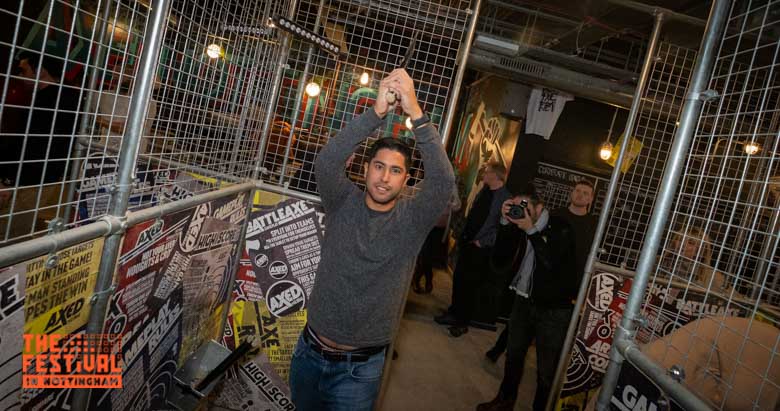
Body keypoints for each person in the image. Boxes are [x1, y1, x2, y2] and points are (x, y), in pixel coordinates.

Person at [288, 69, 454, 410]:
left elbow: (442, 182)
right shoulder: (342, 202)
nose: (384, 178)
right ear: (365, 169)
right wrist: (377, 111)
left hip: (359, 370)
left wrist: (415, 111)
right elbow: (327, 161)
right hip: (309, 352)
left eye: (395, 171)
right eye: (378, 166)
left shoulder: (411, 221)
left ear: (406, 179)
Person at [477, 188, 577, 411]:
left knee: (546, 368)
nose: (519, 210)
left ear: (539, 208)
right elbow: (499, 261)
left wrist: (530, 230)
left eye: (524, 206)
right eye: (515, 205)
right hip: (522, 301)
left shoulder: (560, 227)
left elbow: (551, 264)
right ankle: (504, 401)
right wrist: (505, 223)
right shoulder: (517, 225)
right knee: (513, 356)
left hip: (553, 309)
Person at [486, 180, 597, 361]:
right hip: (540, 276)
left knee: (547, 336)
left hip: (568, 282)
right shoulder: (555, 216)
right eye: (578, 190)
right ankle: (499, 349)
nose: (580, 195)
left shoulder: (594, 224)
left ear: (591, 199)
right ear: (571, 193)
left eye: (586, 193)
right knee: (521, 322)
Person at [0, 51, 80, 241]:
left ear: (40, 71)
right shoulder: (66, 96)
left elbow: (33, 143)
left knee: (10, 233)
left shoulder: (49, 100)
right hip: (41, 176)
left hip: (30, 178)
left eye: (24, 70)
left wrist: (9, 180)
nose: (20, 76)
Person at [434, 161, 510, 337]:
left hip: (480, 249)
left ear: (495, 175)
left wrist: (483, 242)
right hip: (467, 243)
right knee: (459, 280)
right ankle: (453, 313)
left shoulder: (505, 198)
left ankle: (462, 322)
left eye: (487, 171)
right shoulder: (484, 191)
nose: (484, 174)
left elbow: (503, 229)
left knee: (470, 286)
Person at [412, 184, 461, 294]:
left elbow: (457, 205)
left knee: (431, 256)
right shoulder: (430, 182)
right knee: (425, 255)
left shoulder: (452, 186)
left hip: (440, 231)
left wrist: (450, 204)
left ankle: (421, 279)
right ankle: (422, 279)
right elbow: (414, 193)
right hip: (427, 227)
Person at [660, 225, 730, 292]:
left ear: (701, 251)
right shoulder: (659, 263)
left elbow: (734, 298)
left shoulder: (713, 277)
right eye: (680, 239)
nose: (682, 244)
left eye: (691, 243)